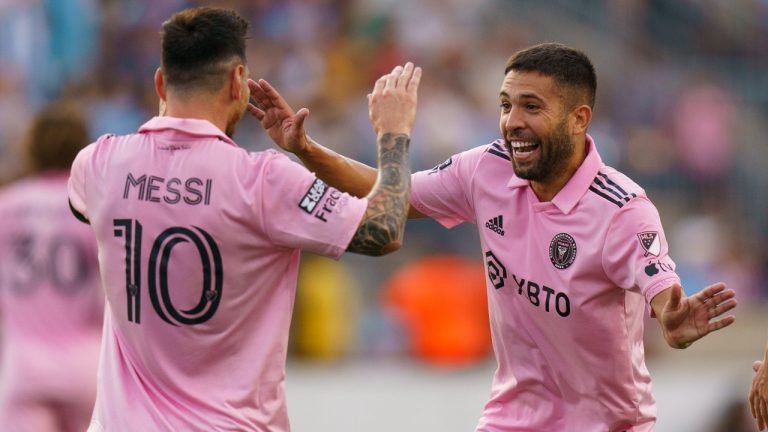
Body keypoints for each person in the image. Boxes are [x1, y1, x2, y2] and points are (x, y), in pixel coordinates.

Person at [248, 42, 737, 431]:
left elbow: (663, 295)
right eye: (506, 105)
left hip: (604, 425)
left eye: (531, 106)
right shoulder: (486, 168)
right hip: (511, 419)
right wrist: (305, 149)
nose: (512, 122)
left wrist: (673, 319)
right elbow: (393, 195)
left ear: (579, 118)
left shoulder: (623, 210)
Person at [67, 7, 421, 431]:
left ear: (160, 81)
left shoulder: (98, 163)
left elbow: (102, 211)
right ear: (238, 82)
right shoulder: (265, 181)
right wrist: (393, 135)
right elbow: (383, 230)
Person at [0, 101, 103, 432]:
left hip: (24, 368)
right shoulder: (92, 209)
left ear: (31, 147)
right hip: (85, 367)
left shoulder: (6, 205)